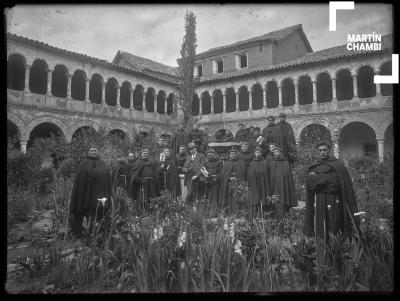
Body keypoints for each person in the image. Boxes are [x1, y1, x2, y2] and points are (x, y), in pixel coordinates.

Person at [303, 141, 361, 241]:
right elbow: (310, 182)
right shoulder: (315, 166)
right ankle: (322, 246)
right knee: (321, 224)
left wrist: (318, 180)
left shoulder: (337, 166)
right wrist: (325, 180)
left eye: (324, 150)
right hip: (320, 200)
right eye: (320, 150)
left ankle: (335, 247)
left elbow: (335, 184)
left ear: (329, 150)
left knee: (333, 222)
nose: (322, 152)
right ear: (318, 152)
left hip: (333, 199)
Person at [69, 147, 112, 237]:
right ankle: (83, 232)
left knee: (99, 213)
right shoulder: (83, 164)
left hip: (100, 195)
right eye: (91, 151)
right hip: (86, 195)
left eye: (95, 151)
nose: (93, 152)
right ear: (88, 152)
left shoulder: (103, 163)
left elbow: (107, 178)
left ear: (98, 152)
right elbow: (80, 180)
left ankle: (98, 232)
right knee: (87, 213)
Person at [269, 146, 297, 216]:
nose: (275, 153)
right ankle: (276, 215)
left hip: (283, 186)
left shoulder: (285, 163)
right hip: (274, 186)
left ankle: (284, 214)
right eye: (274, 152)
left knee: (283, 199)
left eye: (277, 152)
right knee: (275, 200)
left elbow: (288, 177)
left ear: (281, 153)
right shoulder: (272, 163)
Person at [219, 148, 246, 215]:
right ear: (229, 155)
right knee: (229, 197)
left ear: (236, 154)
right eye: (231, 154)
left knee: (237, 197)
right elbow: (223, 174)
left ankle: (237, 213)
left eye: (234, 154)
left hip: (238, 184)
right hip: (228, 184)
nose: (232, 155)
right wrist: (229, 178)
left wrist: (237, 178)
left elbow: (243, 173)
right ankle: (229, 212)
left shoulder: (241, 162)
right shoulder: (226, 163)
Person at [247, 146, 271, 218]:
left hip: (263, 184)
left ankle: (263, 214)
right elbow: (249, 174)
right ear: (254, 153)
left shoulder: (265, 163)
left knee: (262, 197)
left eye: (259, 152)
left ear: (261, 154)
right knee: (254, 199)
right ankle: (254, 215)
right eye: (257, 152)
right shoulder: (252, 163)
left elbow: (267, 174)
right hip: (254, 184)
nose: (258, 154)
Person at [202, 149, 223, 217]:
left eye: (211, 155)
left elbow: (221, 172)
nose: (210, 156)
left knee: (215, 198)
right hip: (208, 183)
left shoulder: (219, 162)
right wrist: (205, 176)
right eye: (208, 155)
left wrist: (216, 177)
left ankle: (214, 213)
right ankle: (207, 213)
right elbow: (203, 171)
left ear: (214, 155)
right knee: (207, 198)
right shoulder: (206, 162)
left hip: (216, 183)